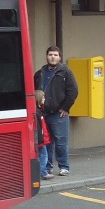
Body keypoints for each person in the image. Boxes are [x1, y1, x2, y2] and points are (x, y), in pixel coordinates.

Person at [34, 45, 78, 179]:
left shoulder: (66, 72)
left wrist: (65, 108)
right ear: (46, 56)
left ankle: (64, 167)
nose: (52, 57)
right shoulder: (39, 73)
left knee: (61, 141)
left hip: (59, 113)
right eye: (50, 55)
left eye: (55, 55)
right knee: (46, 142)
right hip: (43, 113)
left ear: (59, 57)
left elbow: (73, 91)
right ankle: (47, 167)